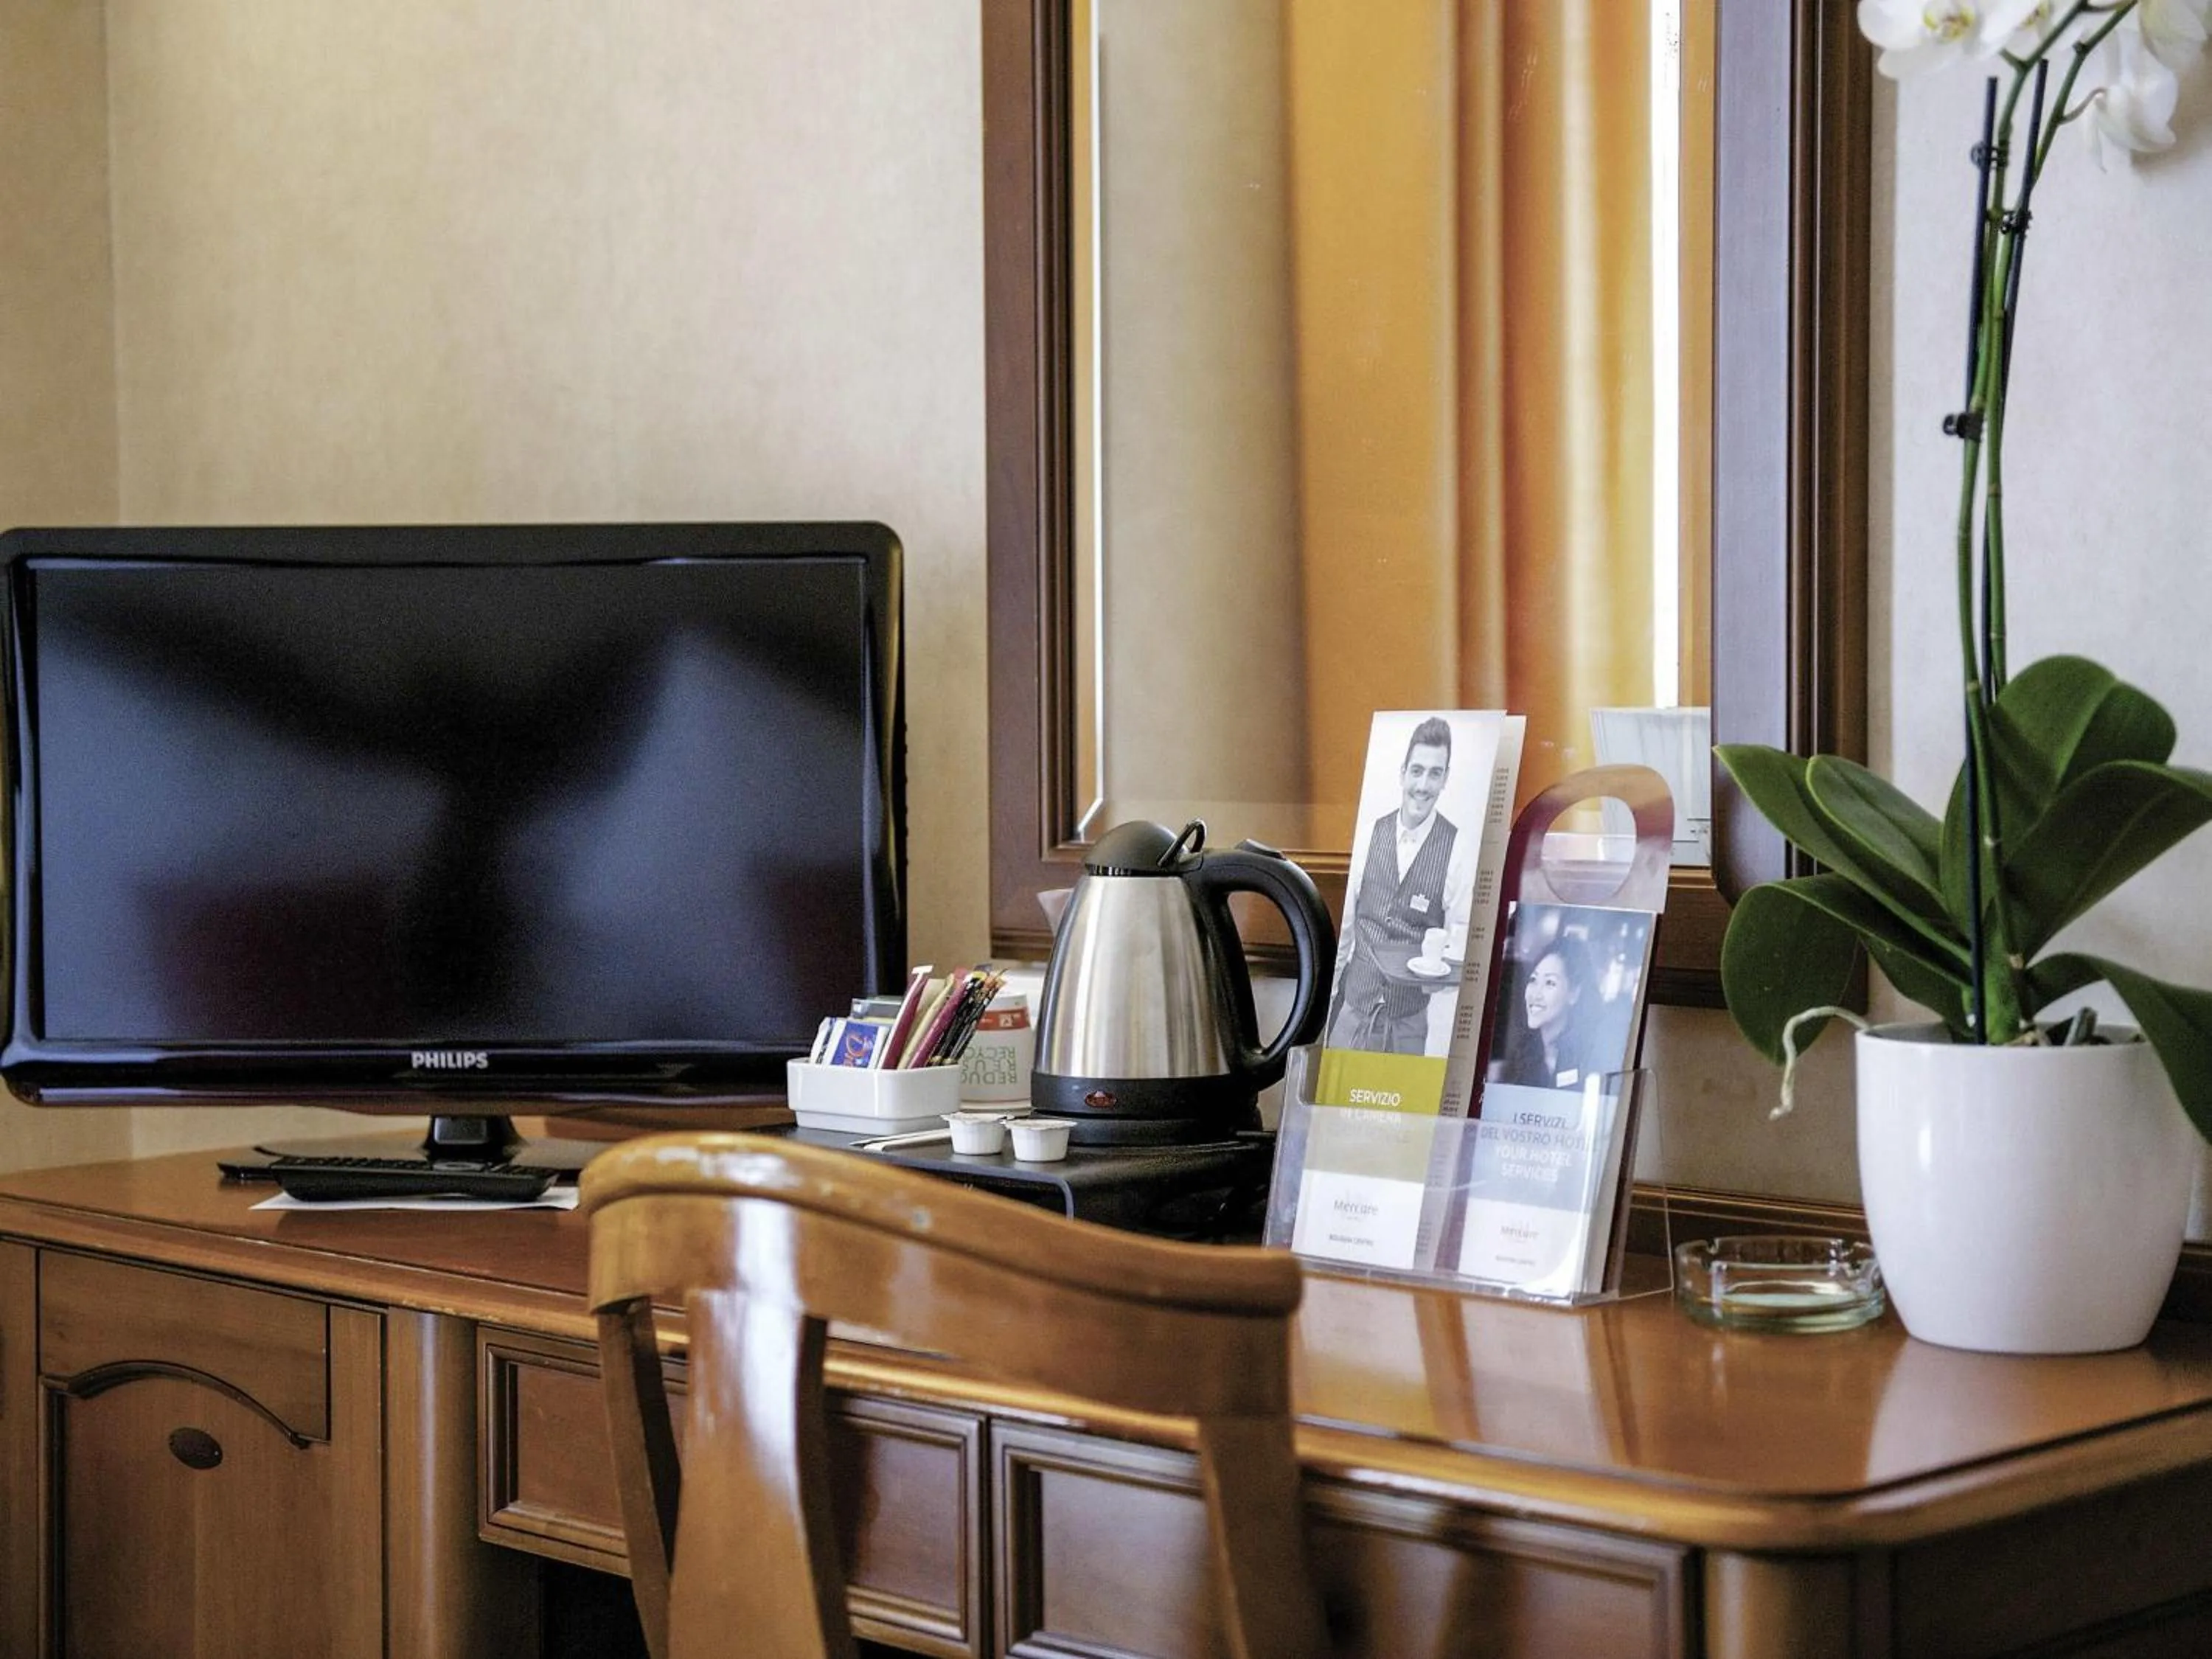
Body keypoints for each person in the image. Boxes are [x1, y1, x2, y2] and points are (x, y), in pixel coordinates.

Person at [1324, 717, 1475, 1055]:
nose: (1423, 785)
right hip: (1353, 1012)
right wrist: (1328, 1005)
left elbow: (1460, 941)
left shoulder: (1458, 849)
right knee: (1334, 1106)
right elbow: (1345, 931)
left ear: (1445, 779)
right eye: (1417, 771)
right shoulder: (1368, 836)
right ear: (1403, 773)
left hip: (1408, 1023)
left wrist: (1433, 973)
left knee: (1402, 1108)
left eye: (1435, 773)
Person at [1490, 932, 1602, 1088]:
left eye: (1550, 983)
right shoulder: (1524, 1052)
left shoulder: (1590, 1058)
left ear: (1574, 993)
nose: (1536, 993)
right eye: (1533, 980)